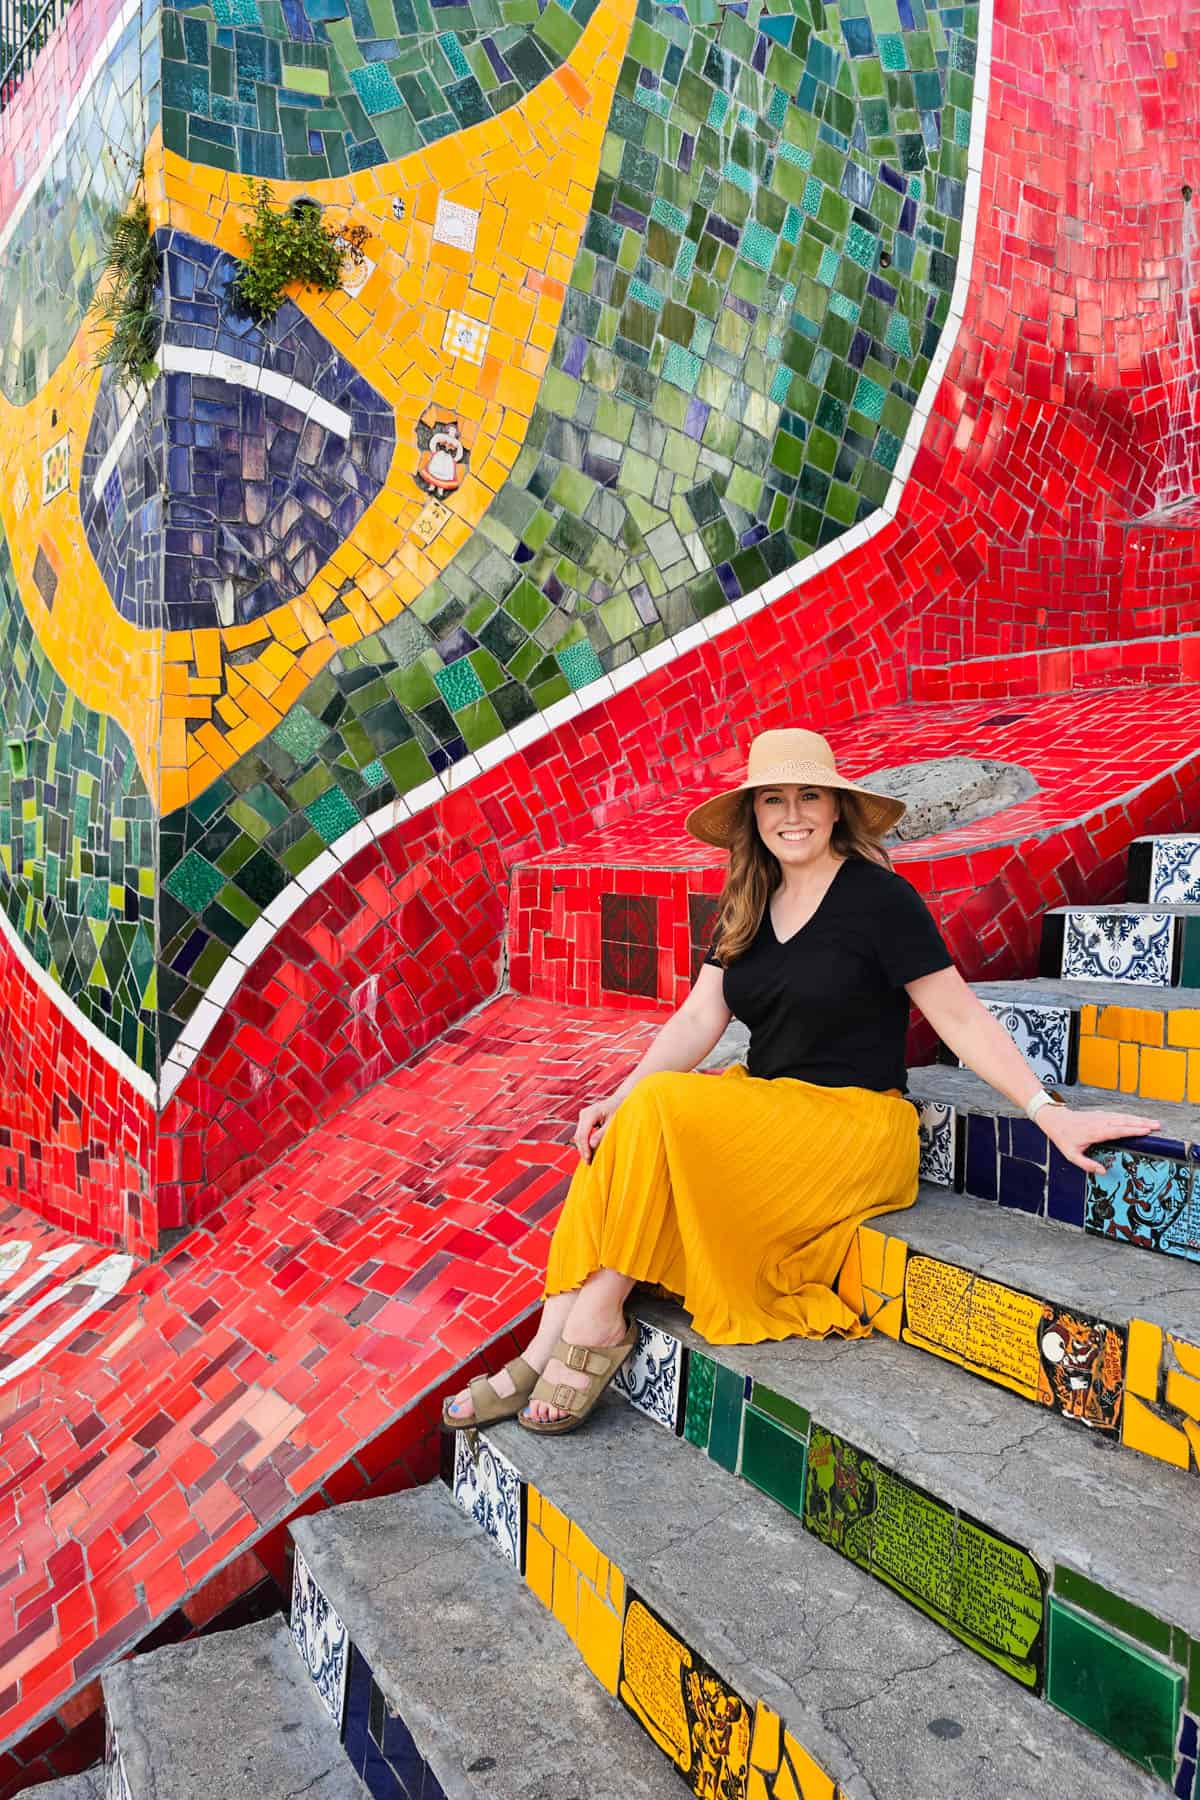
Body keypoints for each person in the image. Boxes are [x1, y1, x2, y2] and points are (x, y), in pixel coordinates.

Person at [443, 728, 1158, 1437]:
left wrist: (1044, 1110)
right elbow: (698, 1019)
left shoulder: (881, 900)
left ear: (837, 807)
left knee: (658, 1106)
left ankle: (598, 1317)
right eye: (774, 799)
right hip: (770, 1112)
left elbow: (960, 1018)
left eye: (809, 795)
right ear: (753, 815)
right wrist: (619, 1097)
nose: (793, 814)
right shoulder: (747, 901)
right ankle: (545, 1344)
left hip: (853, 1126)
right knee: (631, 1120)